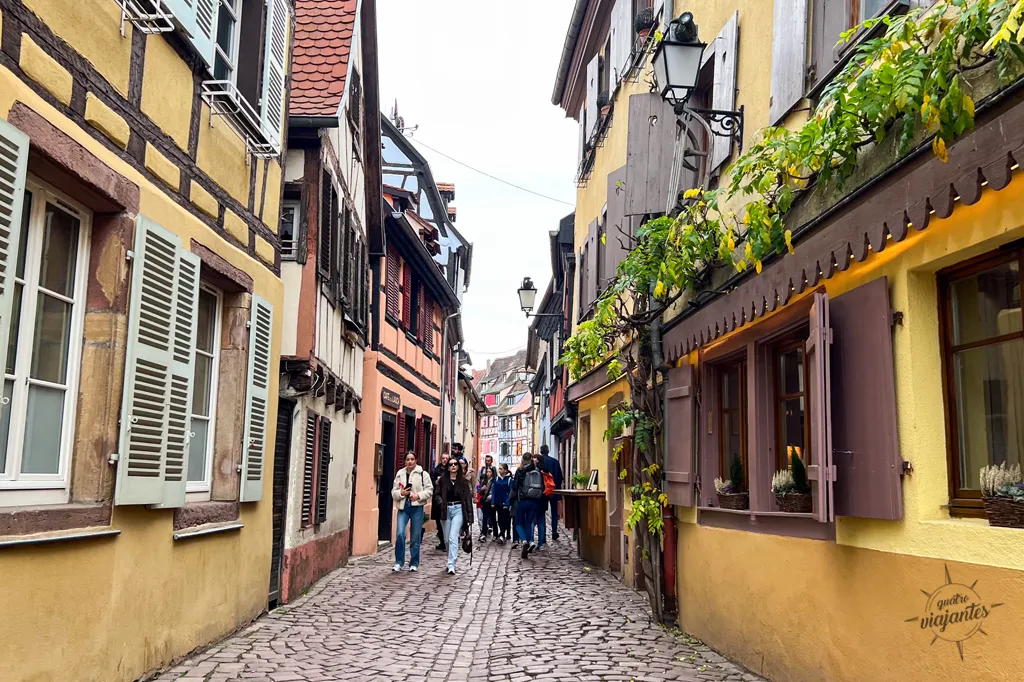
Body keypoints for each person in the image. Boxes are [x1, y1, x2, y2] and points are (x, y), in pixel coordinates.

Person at [390, 452, 433, 572]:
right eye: (408, 459)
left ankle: (414, 562)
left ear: (416, 460)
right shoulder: (400, 473)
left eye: (412, 459)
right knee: (400, 534)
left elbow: (429, 490)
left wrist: (418, 496)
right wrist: (401, 493)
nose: (410, 462)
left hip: (417, 507)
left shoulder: (422, 474)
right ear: (405, 461)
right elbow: (393, 492)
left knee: (415, 536)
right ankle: (399, 562)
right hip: (403, 507)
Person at [437, 456, 473, 575]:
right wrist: (441, 502)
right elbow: (436, 494)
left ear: (458, 467)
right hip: (445, 510)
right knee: (446, 539)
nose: (453, 466)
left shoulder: (463, 482)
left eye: (455, 464)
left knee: (453, 537)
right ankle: (450, 558)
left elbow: (468, 500)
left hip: (458, 510)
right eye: (450, 464)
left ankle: (451, 564)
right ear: (447, 467)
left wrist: (470, 517)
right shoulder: (442, 480)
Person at [514, 452, 545, 559]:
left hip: (522, 500)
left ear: (523, 460)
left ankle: (524, 540)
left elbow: (515, 487)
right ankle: (529, 542)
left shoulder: (520, 470)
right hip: (534, 501)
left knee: (518, 523)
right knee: (529, 522)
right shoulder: (537, 470)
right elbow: (543, 486)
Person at [536, 444, 564, 545]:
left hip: (543, 491)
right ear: (548, 451)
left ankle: (542, 535)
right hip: (553, 490)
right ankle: (554, 531)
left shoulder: (539, 462)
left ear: (541, 451)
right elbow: (560, 477)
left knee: (542, 513)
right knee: (554, 512)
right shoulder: (555, 462)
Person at [430, 452, 451, 551]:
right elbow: (431, 483)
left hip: (447, 498)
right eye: (443, 458)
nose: (445, 460)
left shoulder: (450, 469)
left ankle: (447, 542)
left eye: (446, 458)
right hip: (437, 498)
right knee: (439, 521)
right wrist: (436, 481)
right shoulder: (436, 470)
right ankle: (442, 542)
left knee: (446, 520)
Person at [491, 463, 513, 544]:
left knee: (505, 519)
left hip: (505, 503)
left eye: (501, 469)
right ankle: (501, 534)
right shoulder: (496, 479)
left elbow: (510, 492)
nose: (499, 470)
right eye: (499, 468)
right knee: (499, 519)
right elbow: (493, 491)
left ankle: (502, 534)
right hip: (497, 502)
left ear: (505, 470)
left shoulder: (509, 480)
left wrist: (507, 503)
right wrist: (493, 501)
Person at [478, 466, 496, 542]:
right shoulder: (484, 481)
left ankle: (495, 534)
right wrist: (482, 489)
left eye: (490, 472)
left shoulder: (495, 481)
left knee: (493, 518)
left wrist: (492, 496)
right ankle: (484, 534)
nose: (488, 473)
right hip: (485, 501)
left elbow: (496, 491)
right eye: (487, 472)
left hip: (492, 502)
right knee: (484, 518)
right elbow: (480, 491)